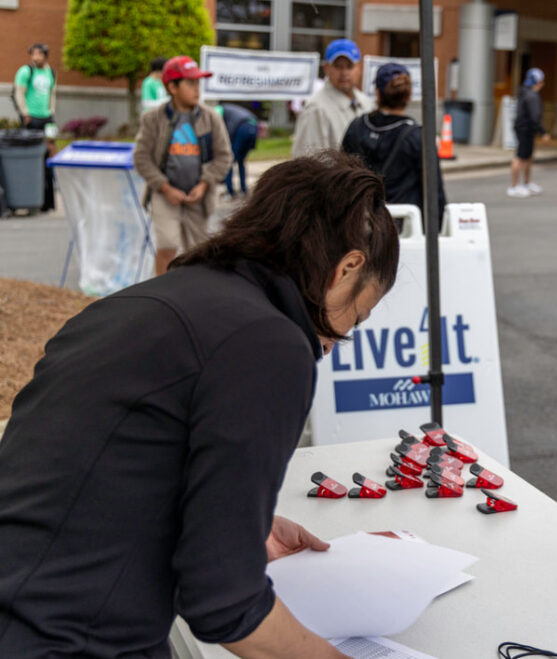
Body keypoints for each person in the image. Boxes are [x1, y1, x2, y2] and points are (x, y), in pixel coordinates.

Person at [0, 150, 399, 658]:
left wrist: (236, 524)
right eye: (355, 319)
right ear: (347, 268)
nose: (335, 342)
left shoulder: (132, 305)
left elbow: (96, 470)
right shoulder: (269, 342)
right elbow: (226, 606)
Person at [133, 55, 232, 276]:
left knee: (198, 252)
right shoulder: (153, 119)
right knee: (167, 245)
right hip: (165, 194)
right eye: (190, 83)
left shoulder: (211, 118)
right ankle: (160, 291)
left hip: (198, 197)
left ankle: (194, 292)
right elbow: (141, 158)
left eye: (198, 82)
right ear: (172, 87)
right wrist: (165, 187)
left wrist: (204, 184)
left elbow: (224, 157)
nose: (197, 89)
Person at [343, 62, 447, 227]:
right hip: (403, 227)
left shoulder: (357, 127)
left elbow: (342, 179)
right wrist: (437, 229)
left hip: (359, 226)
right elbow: (434, 192)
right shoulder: (418, 136)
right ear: (408, 96)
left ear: (378, 93)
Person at [292, 38, 374, 157]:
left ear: (359, 68)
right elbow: (306, 161)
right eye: (338, 66)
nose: (344, 73)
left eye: (350, 66)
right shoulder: (316, 109)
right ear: (326, 68)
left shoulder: (367, 104)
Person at [12, 43, 57, 212]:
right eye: (33, 54)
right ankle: (30, 197)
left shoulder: (52, 72)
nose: (36, 57)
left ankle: (48, 201)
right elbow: (19, 93)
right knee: (32, 157)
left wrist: (52, 113)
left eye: (39, 54)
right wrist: (25, 114)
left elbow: (53, 94)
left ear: (46, 55)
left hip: (47, 118)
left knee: (49, 153)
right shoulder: (25, 71)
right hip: (31, 118)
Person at [508, 67, 550, 198]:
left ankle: (526, 183)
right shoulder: (532, 96)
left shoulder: (523, 92)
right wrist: (543, 132)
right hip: (525, 129)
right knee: (521, 156)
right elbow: (535, 116)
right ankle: (514, 186)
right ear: (538, 82)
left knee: (527, 156)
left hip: (523, 127)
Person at [218, 102, 260, 199]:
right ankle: (243, 190)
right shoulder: (231, 109)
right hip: (254, 127)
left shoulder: (219, 110)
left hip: (242, 128)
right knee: (241, 161)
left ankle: (230, 192)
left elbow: (226, 129)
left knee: (229, 161)